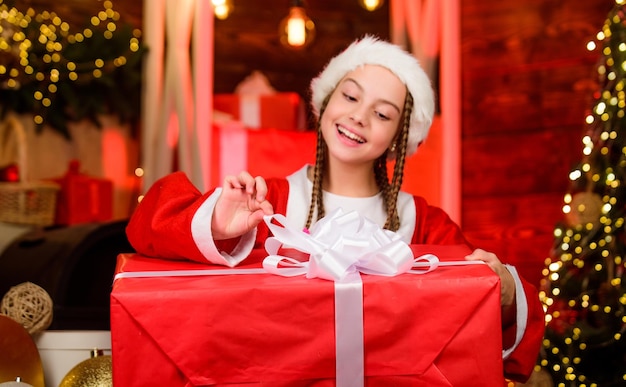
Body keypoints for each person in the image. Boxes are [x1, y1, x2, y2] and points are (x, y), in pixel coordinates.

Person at [126, 35, 545, 383]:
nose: (359, 117)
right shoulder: (265, 203)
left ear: (400, 138)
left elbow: (483, 311)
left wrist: (504, 292)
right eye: (349, 96)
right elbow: (148, 224)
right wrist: (217, 224)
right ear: (325, 102)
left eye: (382, 113)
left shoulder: (425, 225)